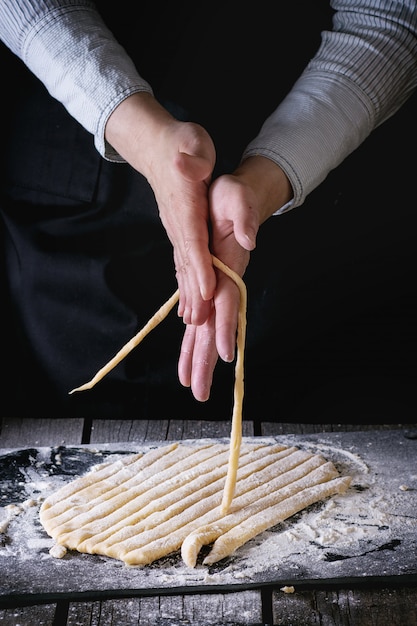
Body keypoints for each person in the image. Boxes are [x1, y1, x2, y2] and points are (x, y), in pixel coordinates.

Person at [1, 1, 417, 420]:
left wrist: (266, 179)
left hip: (315, 163)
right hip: (74, 176)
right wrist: (142, 135)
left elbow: (391, 17)